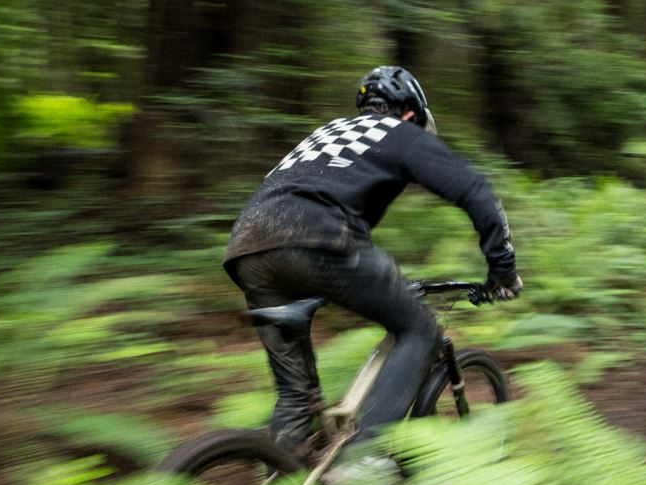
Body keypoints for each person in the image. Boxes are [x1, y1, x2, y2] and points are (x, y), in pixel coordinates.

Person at [224, 65, 522, 460]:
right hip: (317, 238)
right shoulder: (401, 133)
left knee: (297, 399)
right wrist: (502, 270)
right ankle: (361, 464)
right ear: (411, 114)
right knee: (420, 330)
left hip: (248, 245)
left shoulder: (326, 133)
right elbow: (478, 193)